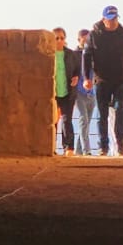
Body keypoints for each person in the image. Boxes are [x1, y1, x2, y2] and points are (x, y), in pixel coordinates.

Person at [87, 5, 123, 155]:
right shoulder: (94, 35)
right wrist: (87, 77)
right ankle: (103, 146)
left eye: (115, 18)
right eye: (110, 19)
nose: (112, 22)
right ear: (103, 19)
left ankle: (120, 142)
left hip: (122, 79)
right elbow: (86, 56)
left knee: (121, 108)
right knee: (101, 113)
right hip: (102, 79)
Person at [51, 27, 81, 156]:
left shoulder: (71, 54)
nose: (59, 41)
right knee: (53, 121)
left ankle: (68, 147)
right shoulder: (48, 54)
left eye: (62, 38)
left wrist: (76, 77)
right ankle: (51, 146)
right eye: (56, 38)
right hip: (52, 94)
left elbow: (78, 69)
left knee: (67, 120)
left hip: (68, 92)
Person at [73, 29, 96, 156]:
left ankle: (78, 151)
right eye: (84, 38)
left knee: (87, 122)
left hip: (92, 93)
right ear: (79, 39)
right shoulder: (74, 55)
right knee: (83, 120)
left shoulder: (94, 54)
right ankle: (87, 150)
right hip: (79, 92)